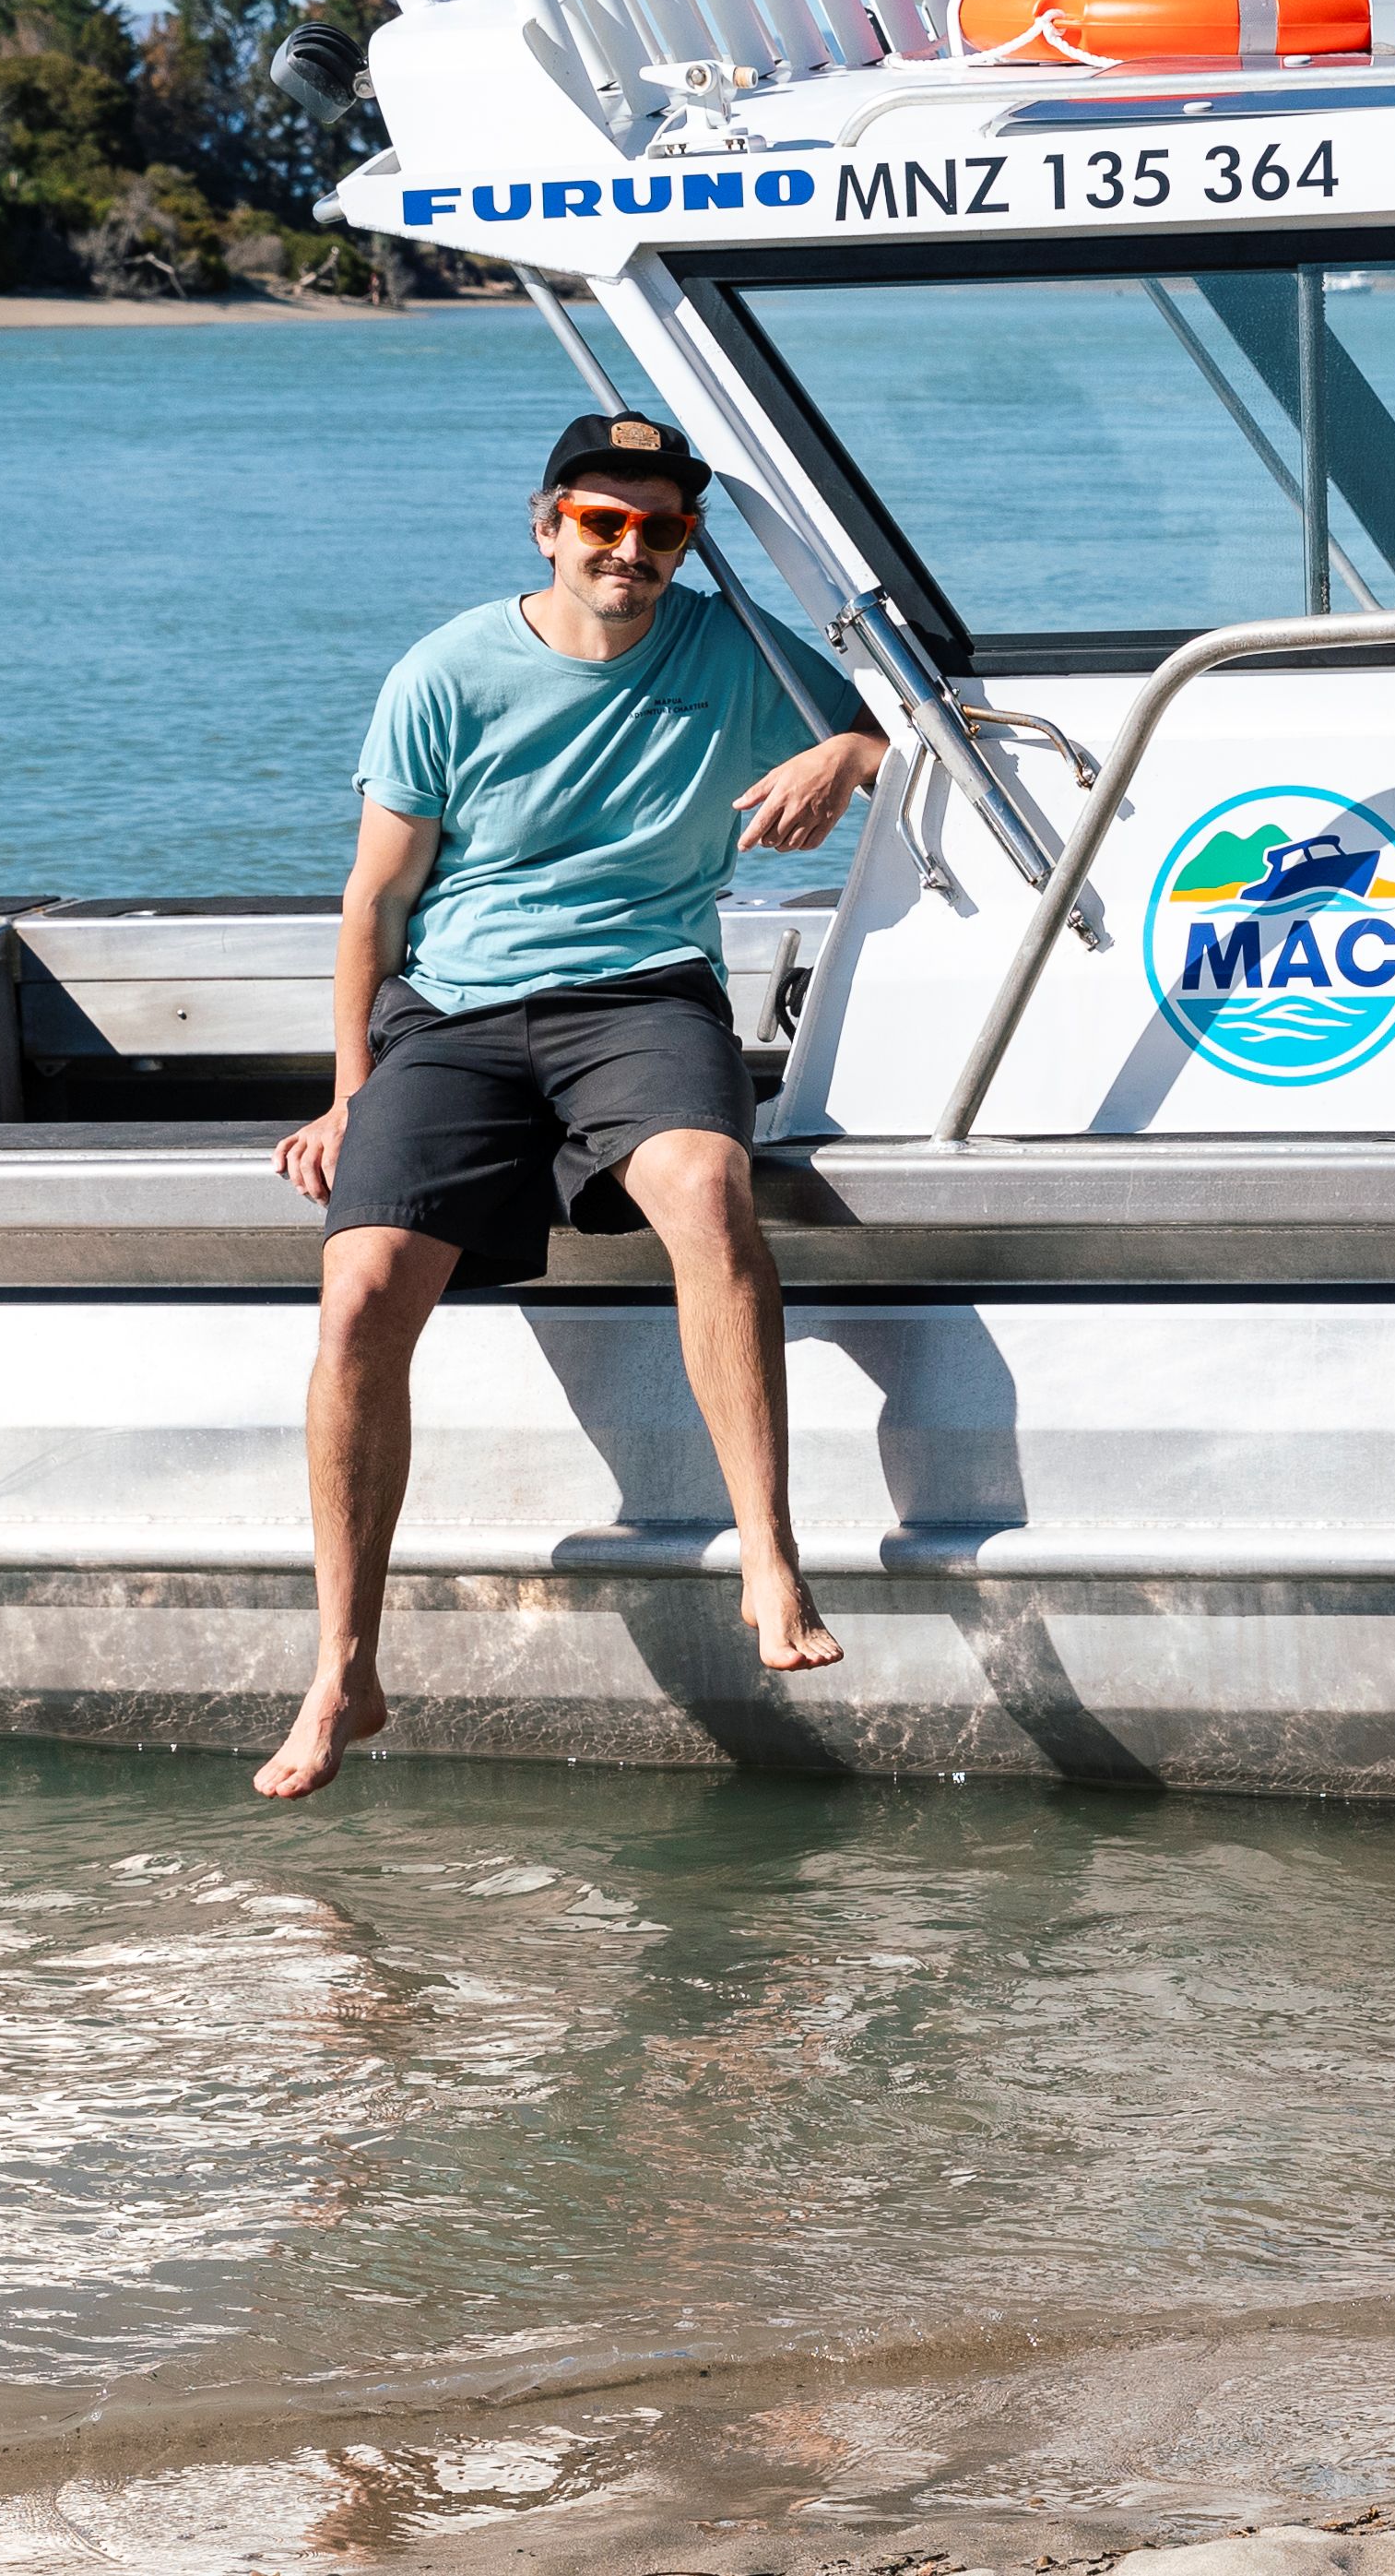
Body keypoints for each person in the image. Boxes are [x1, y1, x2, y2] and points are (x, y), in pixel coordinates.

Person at [255, 408, 891, 1801]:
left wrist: (846, 755)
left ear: (687, 540)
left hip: (644, 995)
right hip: (454, 1013)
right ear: (547, 526)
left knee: (709, 1192)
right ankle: (343, 1665)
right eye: (603, 521)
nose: (631, 549)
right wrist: (350, 1094)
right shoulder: (445, 670)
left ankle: (769, 1557)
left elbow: (909, 723)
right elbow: (376, 901)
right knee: (358, 1292)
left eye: (661, 528)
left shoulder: (733, 648)